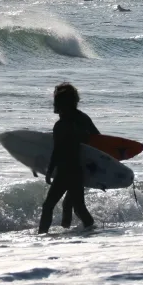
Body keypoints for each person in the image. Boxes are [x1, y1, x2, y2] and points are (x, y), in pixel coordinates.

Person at [38, 83, 96, 234]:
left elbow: (57, 151)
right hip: (79, 170)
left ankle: (41, 235)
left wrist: (49, 170)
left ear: (61, 104)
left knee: (48, 206)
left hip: (65, 172)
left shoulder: (60, 125)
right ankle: (80, 232)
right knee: (74, 207)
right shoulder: (83, 119)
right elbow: (98, 139)